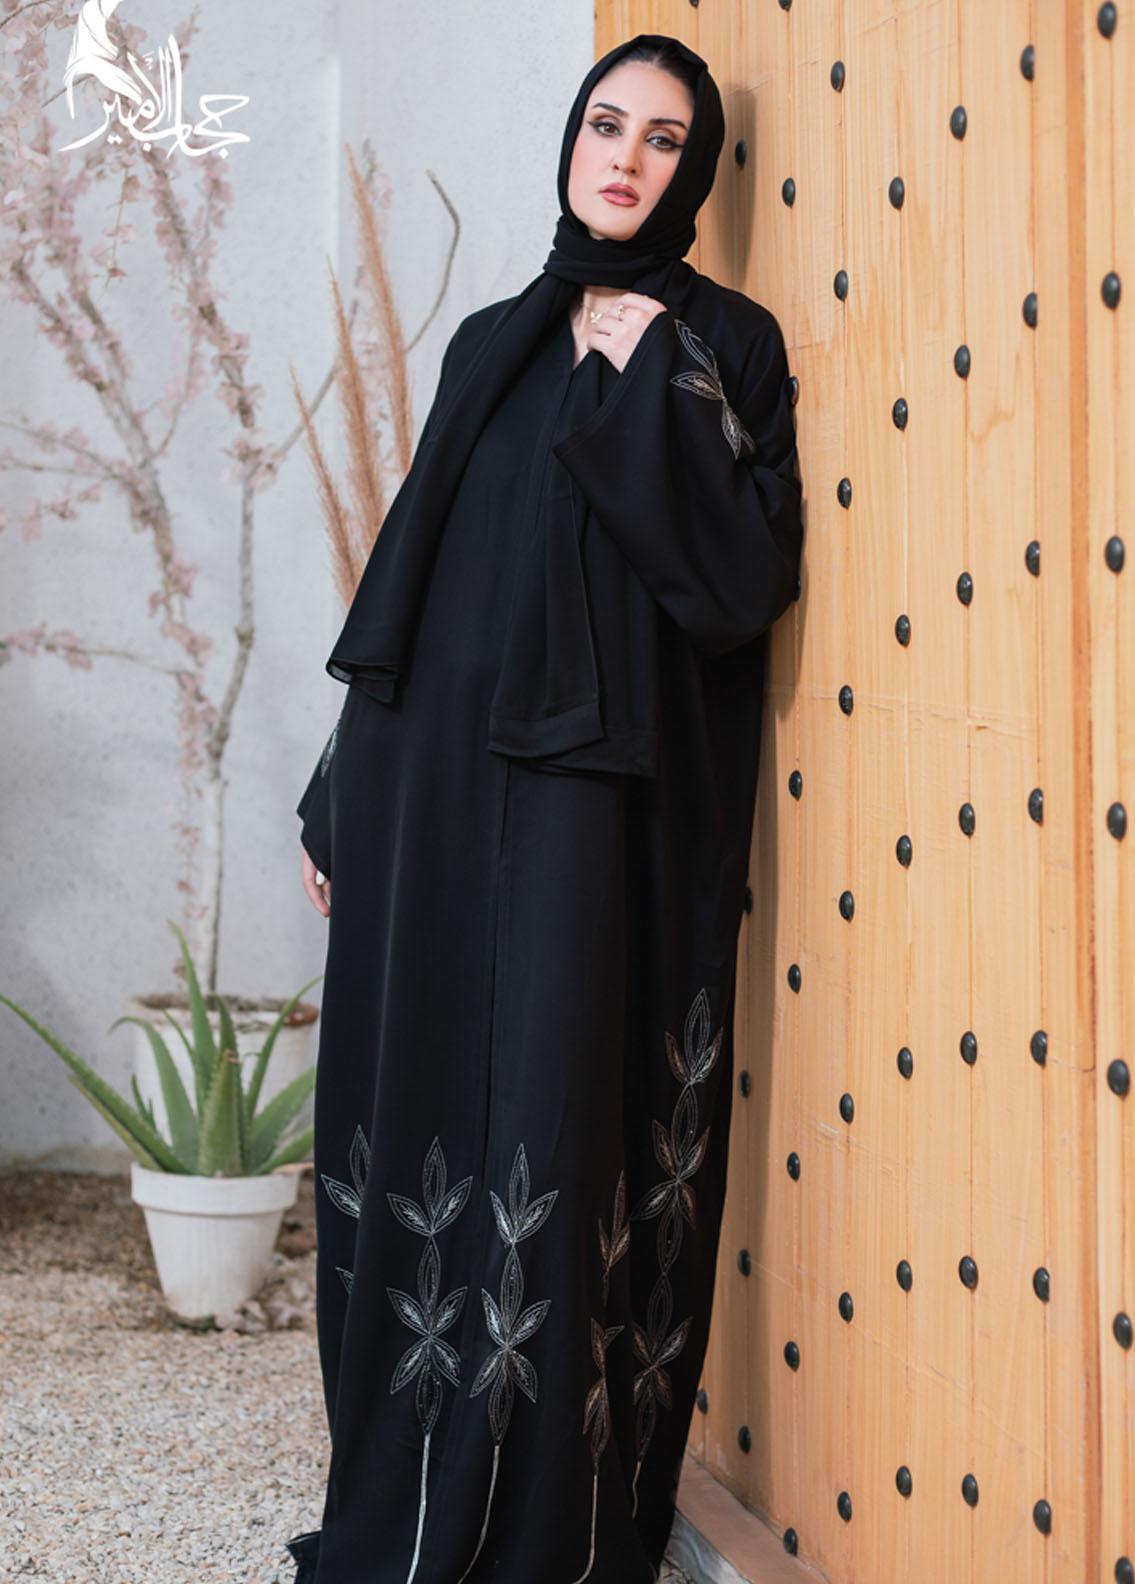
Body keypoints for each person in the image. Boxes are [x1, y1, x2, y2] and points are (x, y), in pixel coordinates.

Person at [287, 32, 803, 1584]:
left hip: (598, 800)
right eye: (606, 125)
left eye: (663, 139)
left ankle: (551, 1537)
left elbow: (739, 581)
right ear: (572, 140)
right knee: (428, 1099)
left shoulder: (725, 344)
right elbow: (415, 579)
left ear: (695, 174)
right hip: (435, 789)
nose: (626, 158)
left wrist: (650, 378)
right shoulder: (492, 339)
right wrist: (340, 797)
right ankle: (406, 1507)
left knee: (561, 1123)